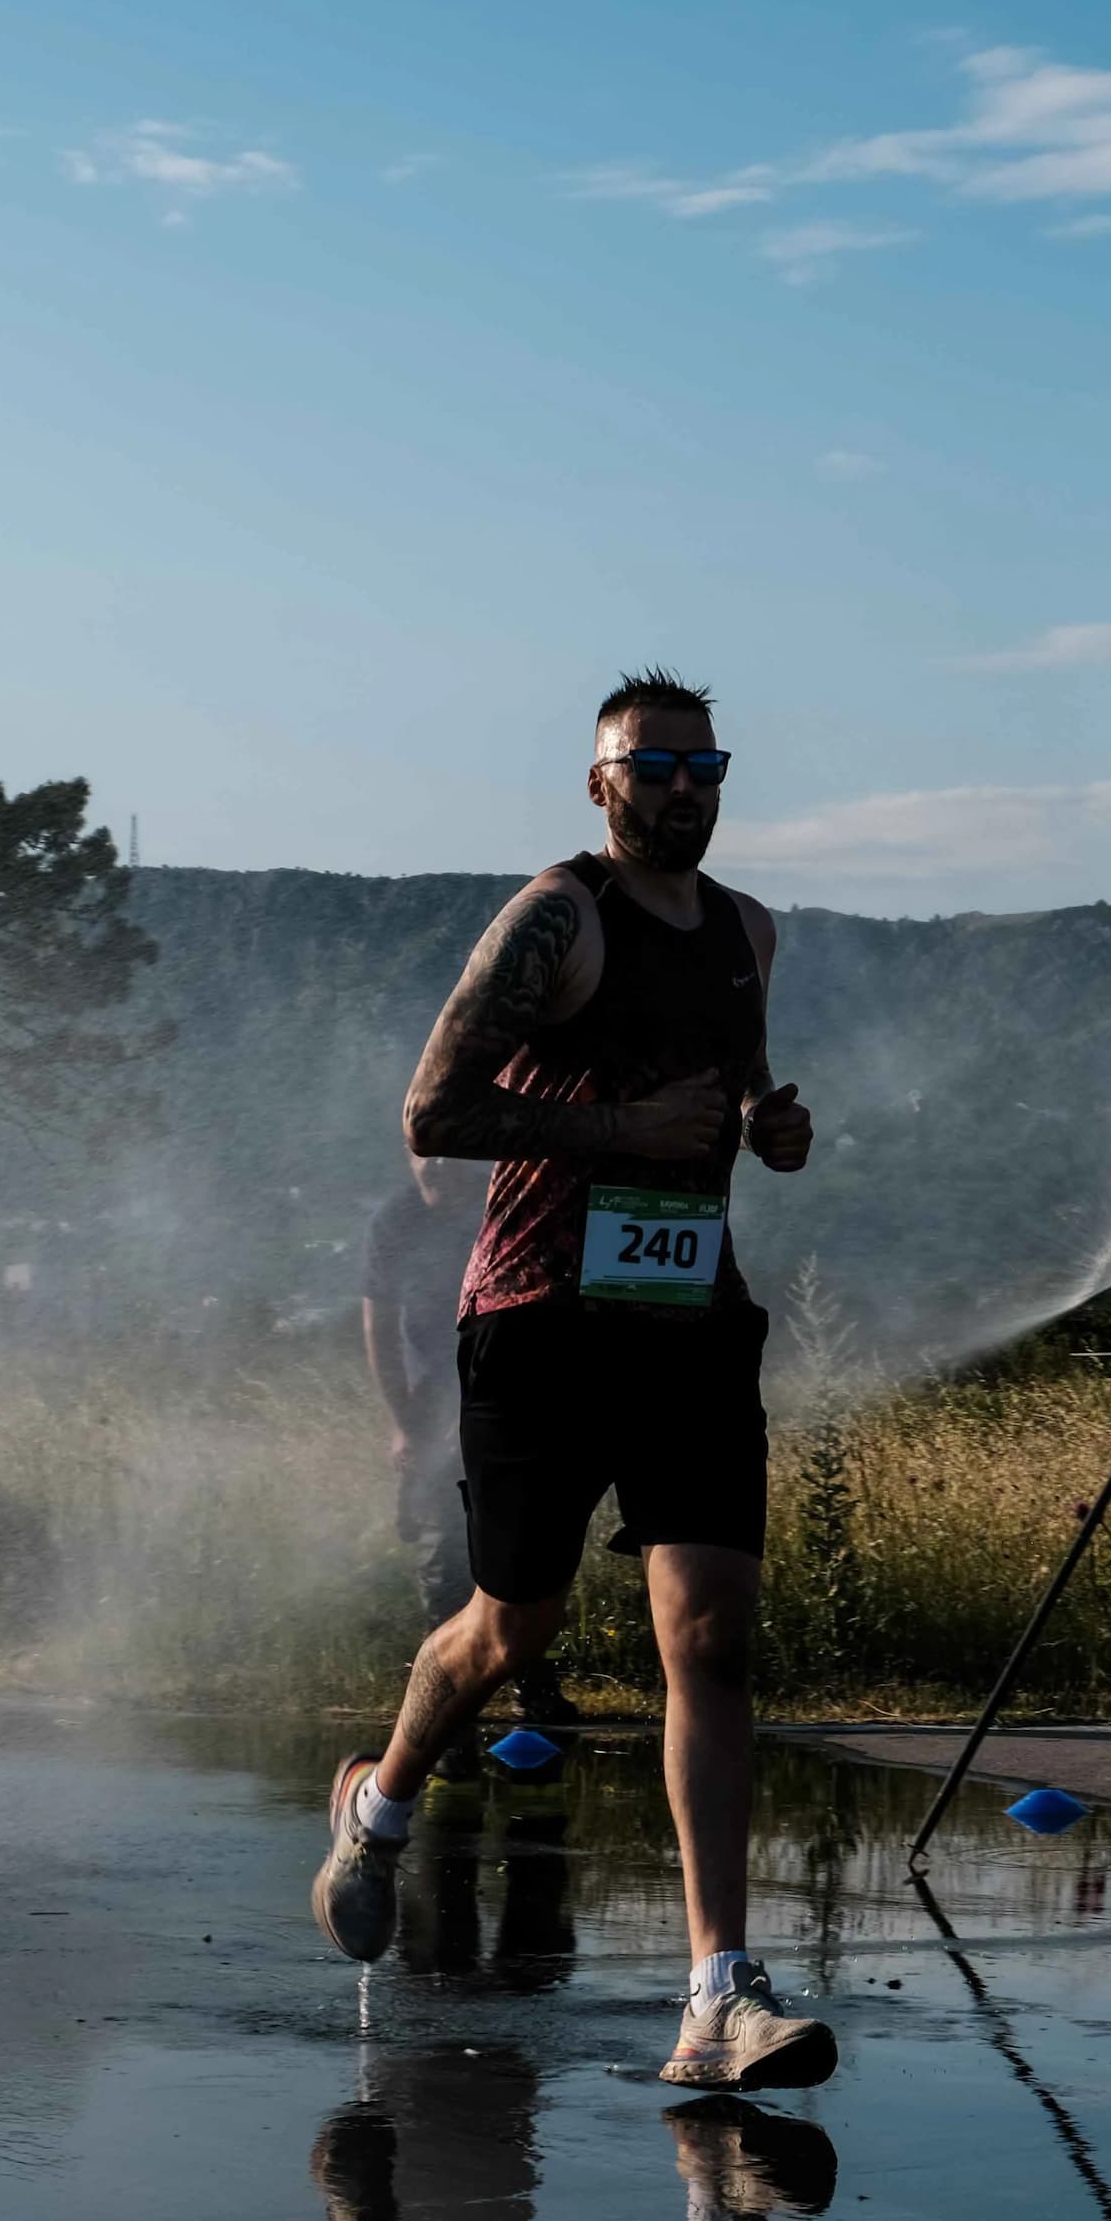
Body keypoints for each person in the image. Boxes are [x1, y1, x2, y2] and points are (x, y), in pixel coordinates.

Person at [310, 667, 832, 2093]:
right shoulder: (558, 920)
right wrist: (618, 1122)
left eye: (703, 764)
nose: (682, 788)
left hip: (690, 1320)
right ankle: (382, 1798)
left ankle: (718, 1993)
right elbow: (437, 1109)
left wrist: (764, 1128)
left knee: (711, 1636)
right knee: (511, 1626)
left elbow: (719, 1107)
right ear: (598, 785)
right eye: (650, 767)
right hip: (541, 1314)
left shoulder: (749, 934)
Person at [362, 1155, 576, 1733]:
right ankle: (448, 1711)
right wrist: (403, 1421)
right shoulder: (396, 1221)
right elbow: (378, 1327)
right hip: (435, 1405)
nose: (433, 1162)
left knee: (522, 1549)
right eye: (421, 1149)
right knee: (442, 1559)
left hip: (513, 1391)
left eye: (446, 1148)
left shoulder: (506, 1201)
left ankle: (536, 1691)